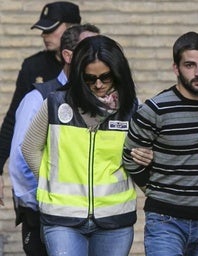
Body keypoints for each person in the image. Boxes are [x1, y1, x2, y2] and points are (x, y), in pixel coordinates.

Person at [21, 35, 141, 256]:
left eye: (105, 77)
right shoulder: (56, 104)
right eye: (89, 78)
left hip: (115, 219)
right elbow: (29, 148)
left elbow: (141, 155)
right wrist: (50, 183)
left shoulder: (132, 109)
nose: (98, 84)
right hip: (62, 219)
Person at [122, 31, 198, 256]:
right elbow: (129, 157)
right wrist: (151, 190)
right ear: (176, 68)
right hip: (166, 221)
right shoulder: (155, 109)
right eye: (190, 65)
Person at [8, 23, 100, 256]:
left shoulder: (107, 99)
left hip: (97, 219)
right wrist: (47, 202)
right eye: (89, 48)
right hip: (46, 217)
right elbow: (21, 161)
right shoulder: (38, 97)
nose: (98, 55)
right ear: (68, 55)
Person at [0, 1, 81, 205]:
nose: (44, 35)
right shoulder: (33, 65)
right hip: (40, 179)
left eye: (51, 29)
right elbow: (13, 119)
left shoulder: (95, 65)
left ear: (73, 28)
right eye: (42, 30)